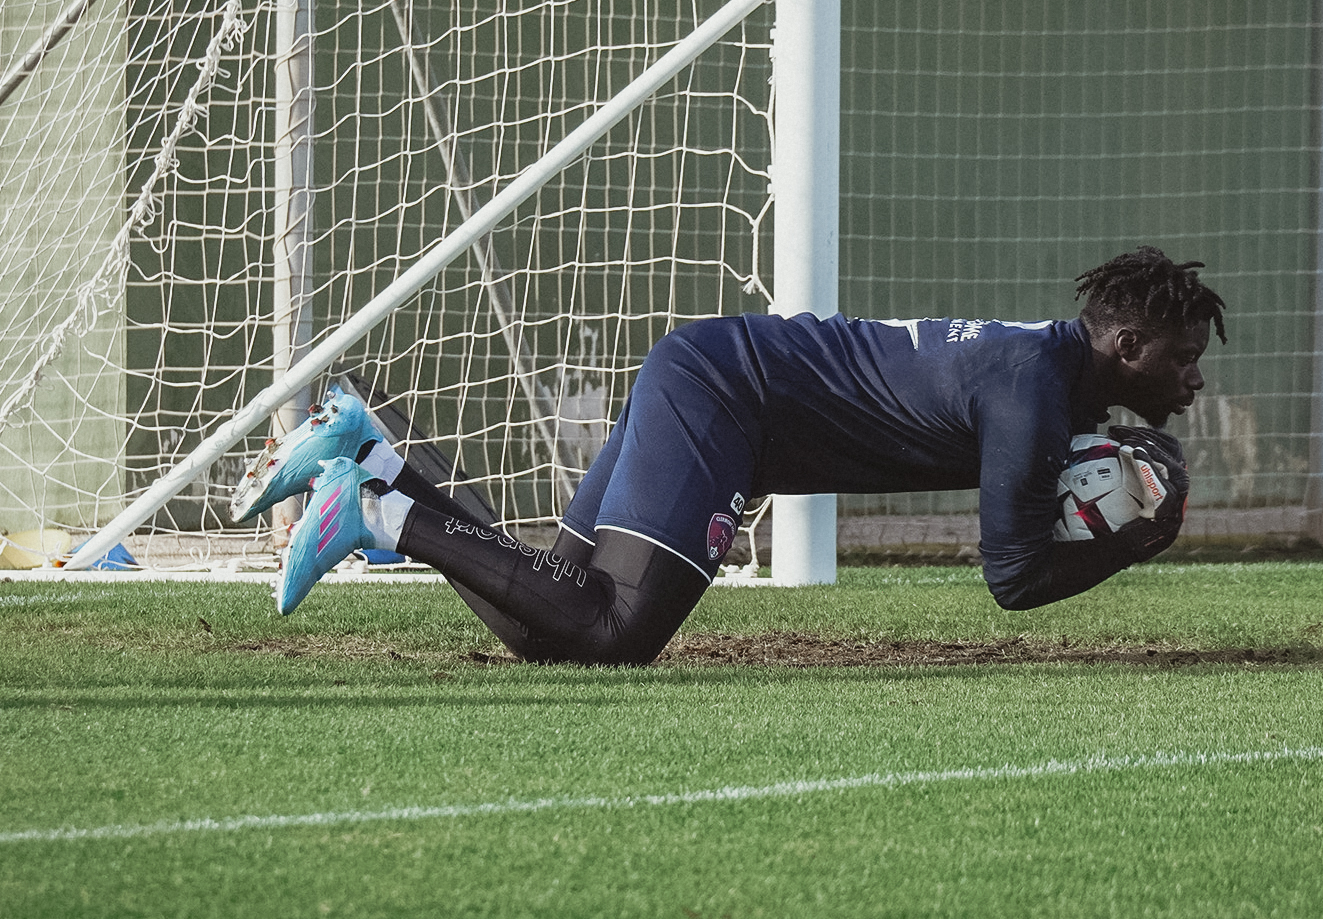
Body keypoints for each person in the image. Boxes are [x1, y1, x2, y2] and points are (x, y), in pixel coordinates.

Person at [232, 245, 1225, 664]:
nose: (1191, 382)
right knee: (615, 632)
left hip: (713, 373)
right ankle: (373, 515)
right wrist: (1135, 540)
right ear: (1125, 347)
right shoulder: (1033, 390)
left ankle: (371, 456)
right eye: (1181, 360)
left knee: (550, 626)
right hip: (724, 395)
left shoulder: (1044, 371)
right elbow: (1011, 575)